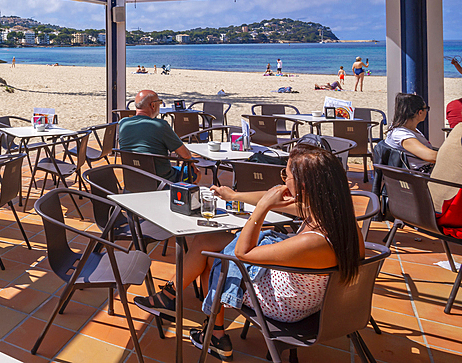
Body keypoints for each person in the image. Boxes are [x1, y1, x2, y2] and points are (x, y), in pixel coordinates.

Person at [134, 145, 364, 360]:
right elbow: (274, 197)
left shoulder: (313, 243)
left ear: (303, 187)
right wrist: (234, 196)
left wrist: (263, 208)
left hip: (288, 307)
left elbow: (243, 253)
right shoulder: (338, 219)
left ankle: (214, 333)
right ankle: (172, 297)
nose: (282, 182)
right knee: (207, 240)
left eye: (286, 176)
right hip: (317, 298)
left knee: (216, 262)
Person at [118, 90, 194, 182]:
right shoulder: (160, 126)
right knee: (194, 172)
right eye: (159, 102)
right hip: (162, 181)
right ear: (153, 105)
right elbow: (186, 155)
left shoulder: (123, 123)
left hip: (133, 178)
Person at [385, 92, 438, 172]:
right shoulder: (402, 135)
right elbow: (431, 157)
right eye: (426, 109)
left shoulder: (398, 128)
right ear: (420, 112)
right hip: (420, 176)